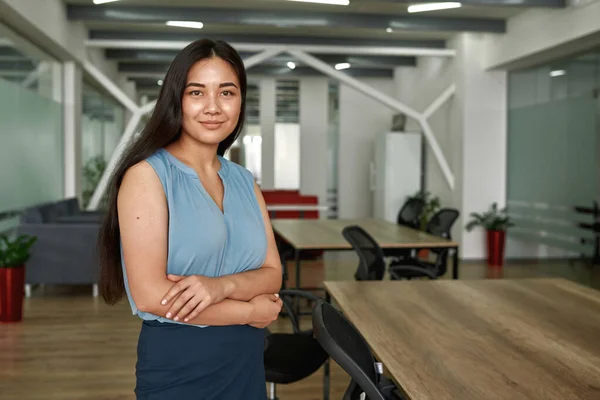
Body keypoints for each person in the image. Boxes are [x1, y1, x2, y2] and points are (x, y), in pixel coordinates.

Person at [97, 39, 283, 399]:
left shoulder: (245, 182)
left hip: (245, 362)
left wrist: (221, 287)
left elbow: (273, 273)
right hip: (180, 367)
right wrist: (248, 310)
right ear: (176, 100)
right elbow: (153, 296)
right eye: (197, 92)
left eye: (226, 92)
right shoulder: (148, 176)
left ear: (241, 101)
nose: (213, 107)